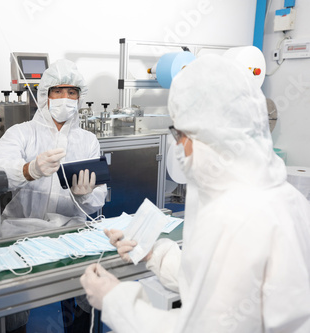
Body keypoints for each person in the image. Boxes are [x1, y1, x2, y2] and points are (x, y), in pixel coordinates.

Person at [80, 54, 310, 332]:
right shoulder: (282, 196)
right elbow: (217, 283)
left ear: (208, 136)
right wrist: (155, 254)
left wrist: (115, 300)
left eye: (179, 135)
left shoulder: (234, 217)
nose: (178, 146)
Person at [0, 59, 107, 332]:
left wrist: (86, 195)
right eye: (58, 91)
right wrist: (29, 170)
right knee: (13, 302)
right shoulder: (21, 133)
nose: (65, 98)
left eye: (72, 92)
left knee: (84, 295)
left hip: (72, 231)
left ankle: (76, 322)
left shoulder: (87, 140)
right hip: (21, 230)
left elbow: (100, 194)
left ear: (79, 97)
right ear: (45, 95)